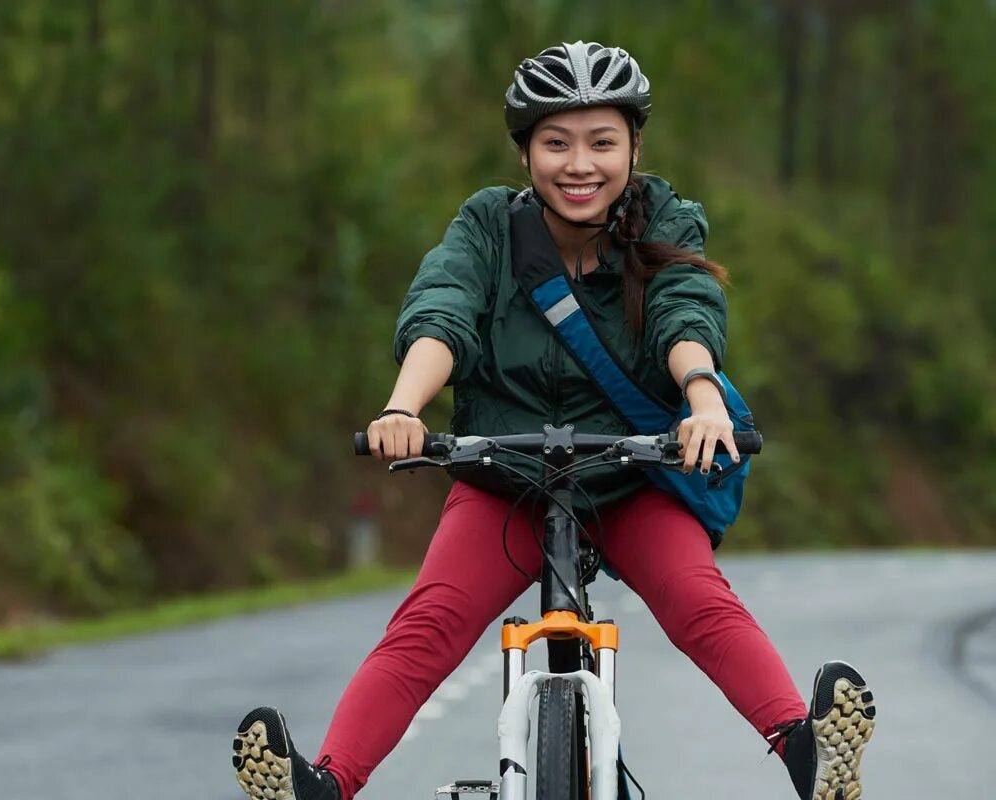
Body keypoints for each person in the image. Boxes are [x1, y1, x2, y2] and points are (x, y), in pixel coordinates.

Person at [230, 41, 876, 800]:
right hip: (506, 480)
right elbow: (444, 312)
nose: (580, 165)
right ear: (526, 152)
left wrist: (703, 403)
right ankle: (322, 787)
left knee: (698, 599)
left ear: (634, 146)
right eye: (556, 143)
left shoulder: (664, 219)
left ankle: (809, 752)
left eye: (602, 142)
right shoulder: (487, 229)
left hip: (632, 474)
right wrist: (404, 407)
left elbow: (683, 314)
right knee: (428, 624)